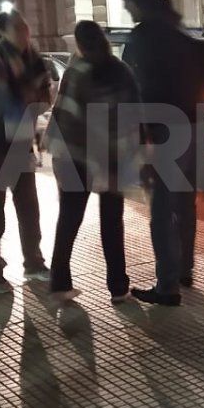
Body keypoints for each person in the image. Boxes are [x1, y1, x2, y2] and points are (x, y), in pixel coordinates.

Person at [120, 0, 204, 307]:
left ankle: (167, 285)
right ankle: (185, 269)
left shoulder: (143, 37)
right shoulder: (177, 29)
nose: (125, 6)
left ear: (136, 0)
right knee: (185, 204)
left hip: (163, 132)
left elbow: (134, 89)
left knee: (161, 209)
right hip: (193, 125)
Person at [48, 20, 141, 304]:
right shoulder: (120, 71)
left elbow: (63, 114)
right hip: (111, 158)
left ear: (79, 44)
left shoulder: (76, 71)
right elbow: (134, 115)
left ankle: (60, 283)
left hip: (73, 157)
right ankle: (118, 287)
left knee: (69, 219)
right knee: (112, 223)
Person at [0, 10, 52, 294]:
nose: (24, 32)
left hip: (20, 143)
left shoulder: (34, 62)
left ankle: (34, 263)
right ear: (2, 32)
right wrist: (8, 112)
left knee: (29, 208)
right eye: (17, 27)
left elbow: (44, 96)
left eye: (25, 26)